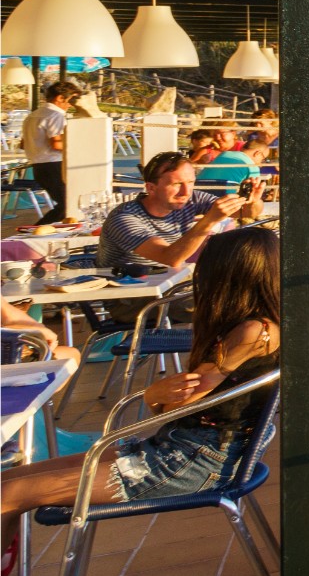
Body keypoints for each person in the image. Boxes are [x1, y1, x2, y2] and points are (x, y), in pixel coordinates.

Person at [1, 226, 283, 531]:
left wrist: (153, 396)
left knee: (9, 493)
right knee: (7, 482)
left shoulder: (253, 332)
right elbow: (175, 406)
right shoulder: (255, 323)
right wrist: (158, 399)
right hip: (180, 446)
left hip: (192, 461)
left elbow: (178, 404)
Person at [100, 152, 264, 273]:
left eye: (191, 182)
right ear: (151, 188)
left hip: (172, 285)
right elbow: (169, 258)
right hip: (132, 295)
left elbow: (245, 213)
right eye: (176, 184)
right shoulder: (125, 218)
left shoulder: (191, 199)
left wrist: (253, 201)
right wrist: (209, 220)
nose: (186, 191)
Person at [20, 82, 79, 225]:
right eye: (71, 100)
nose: (71, 105)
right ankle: (33, 232)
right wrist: (78, 146)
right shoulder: (56, 115)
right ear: (60, 98)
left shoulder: (32, 115)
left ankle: (35, 231)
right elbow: (56, 143)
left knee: (67, 205)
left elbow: (22, 144)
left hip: (38, 167)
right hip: (53, 165)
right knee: (68, 205)